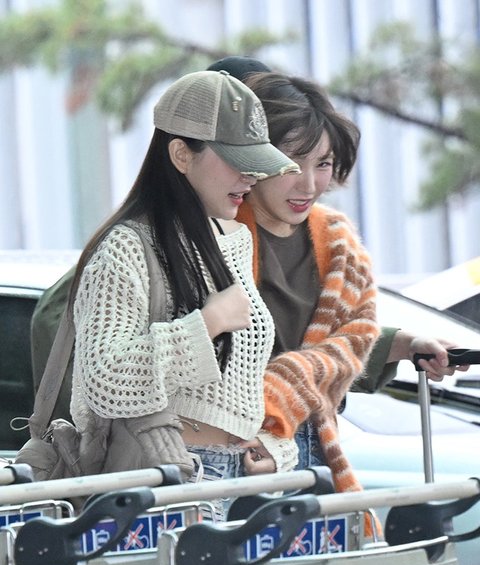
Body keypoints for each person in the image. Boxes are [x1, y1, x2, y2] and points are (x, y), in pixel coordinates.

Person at [207, 57, 469, 489]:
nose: (309, 184)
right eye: (291, 163)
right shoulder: (210, 238)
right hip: (231, 455)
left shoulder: (336, 242)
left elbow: (334, 348)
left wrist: (407, 345)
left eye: (324, 164)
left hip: (318, 448)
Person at [59, 70, 301, 514]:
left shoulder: (231, 238)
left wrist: (272, 448)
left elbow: (237, 386)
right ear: (181, 154)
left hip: (238, 480)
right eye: (235, 160)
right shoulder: (126, 246)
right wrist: (207, 324)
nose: (250, 177)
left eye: (254, 162)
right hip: (166, 477)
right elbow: (104, 380)